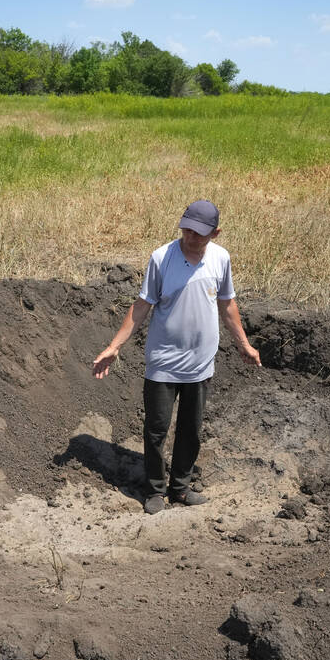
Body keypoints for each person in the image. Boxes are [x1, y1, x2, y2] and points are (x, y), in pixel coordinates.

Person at [92, 200, 262, 514]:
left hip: (200, 362)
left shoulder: (220, 259)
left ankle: (180, 487)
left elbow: (227, 305)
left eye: (199, 233)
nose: (190, 237)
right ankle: (155, 489)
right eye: (186, 229)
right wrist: (114, 346)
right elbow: (142, 305)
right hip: (164, 362)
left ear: (215, 232)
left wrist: (244, 344)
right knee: (157, 428)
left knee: (191, 429)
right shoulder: (161, 258)